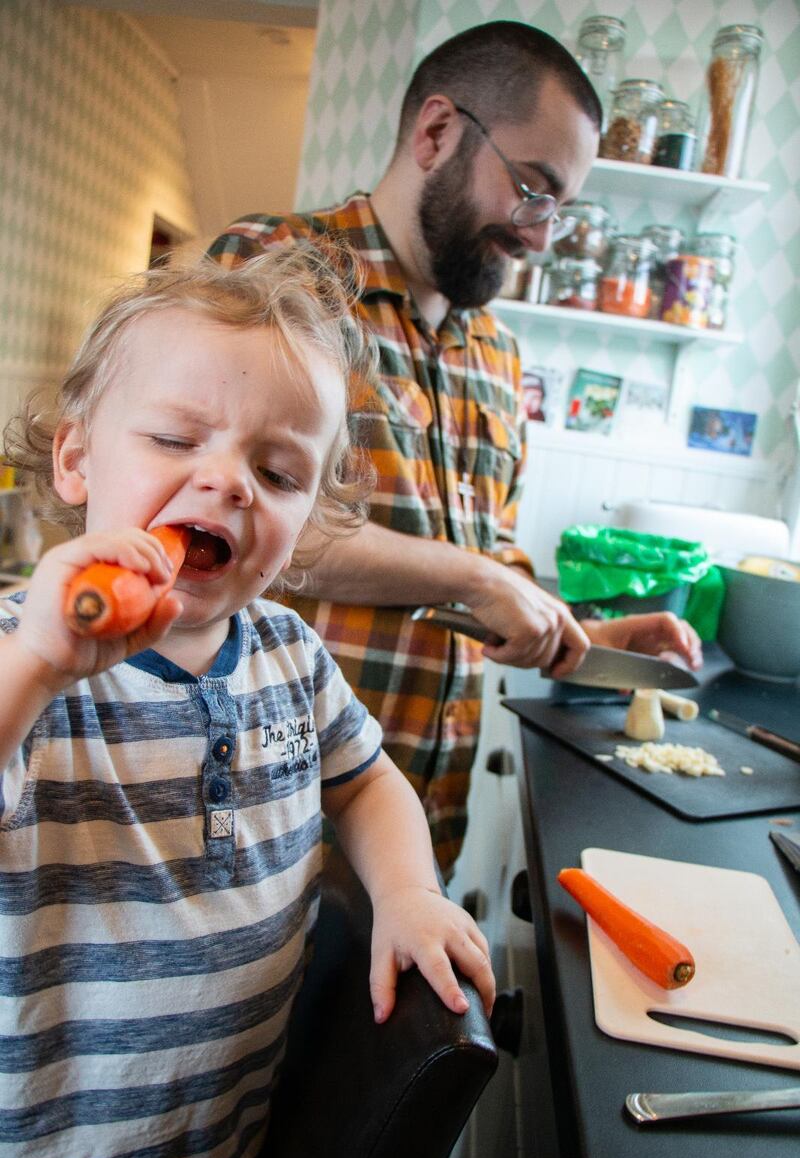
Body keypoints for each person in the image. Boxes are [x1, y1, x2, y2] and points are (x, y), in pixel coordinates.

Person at [0, 245, 495, 1158]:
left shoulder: (287, 651)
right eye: (178, 442)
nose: (228, 482)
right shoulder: (29, 648)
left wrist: (408, 893)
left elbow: (365, 780)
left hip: (219, 1156)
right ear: (74, 457)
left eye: (276, 471)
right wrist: (38, 666)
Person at [208, 21, 702, 875]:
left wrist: (590, 635)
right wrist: (477, 576)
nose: (542, 235)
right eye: (532, 188)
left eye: (562, 209)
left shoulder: (498, 357)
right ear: (437, 131)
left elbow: (480, 577)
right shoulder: (278, 272)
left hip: (422, 840)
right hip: (266, 817)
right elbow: (231, 524)